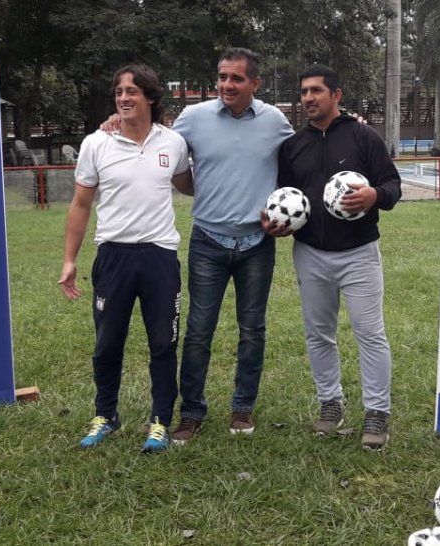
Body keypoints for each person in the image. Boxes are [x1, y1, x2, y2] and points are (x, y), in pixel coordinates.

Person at [105, 47, 294, 442]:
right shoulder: (194, 118)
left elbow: (296, 162)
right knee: (198, 331)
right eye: (222, 77)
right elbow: (160, 145)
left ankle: (242, 408)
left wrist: (282, 210)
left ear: (255, 83)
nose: (227, 84)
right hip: (208, 241)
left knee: (252, 329)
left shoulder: (275, 121)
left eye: (236, 78)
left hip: (257, 243)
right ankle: (191, 412)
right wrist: (117, 121)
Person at [264, 65, 402, 450]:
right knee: (318, 333)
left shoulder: (363, 137)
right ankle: (330, 404)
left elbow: (393, 185)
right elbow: (284, 197)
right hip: (310, 254)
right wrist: (278, 222)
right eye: (304, 92)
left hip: (359, 254)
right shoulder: (293, 146)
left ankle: (377, 412)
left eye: (316, 91)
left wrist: (375, 195)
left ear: (336, 95)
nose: (308, 98)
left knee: (369, 333)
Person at [59, 64, 193, 452]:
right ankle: (105, 415)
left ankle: (160, 420)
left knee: (163, 343)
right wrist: (69, 260)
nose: (123, 98)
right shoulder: (96, 143)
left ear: (150, 96)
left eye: (131, 91)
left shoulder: (174, 143)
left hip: (159, 257)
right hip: (113, 256)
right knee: (107, 343)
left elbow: (189, 184)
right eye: (119, 92)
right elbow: (81, 204)